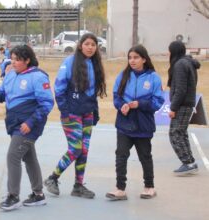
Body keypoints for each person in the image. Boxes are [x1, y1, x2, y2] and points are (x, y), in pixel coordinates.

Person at [0, 45, 54, 211]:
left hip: (28, 125)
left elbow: (47, 103)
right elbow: (2, 95)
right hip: (14, 122)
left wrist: (30, 122)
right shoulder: (10, 75)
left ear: (27, 60)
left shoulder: (38, 77)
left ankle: (13, 196)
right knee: (29, 158)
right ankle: (38, 194)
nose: (13, 62)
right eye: (12, 59)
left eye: (17, 59)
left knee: (13, 156)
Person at [43, 33, 106, 199]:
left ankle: (78, 186)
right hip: (72, 112)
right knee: (75, 148)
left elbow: (93, 92)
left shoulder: (95, 63)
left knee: (84, 150)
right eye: (87, 44)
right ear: (80, 45)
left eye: (94, 44)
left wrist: (95, 111)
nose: (90, 47)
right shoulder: (70, 62)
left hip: (88, 113)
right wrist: (65, 111)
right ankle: (52, 178)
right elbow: (59, 88)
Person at [106, 45, 164, 201]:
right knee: (121, 155)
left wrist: (140, 104)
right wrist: (121, 106)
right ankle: (120, 189)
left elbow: (158, 101)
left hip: (143, 125)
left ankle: (149, 187)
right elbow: (116, 97)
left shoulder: (154, 78)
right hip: (124, 124)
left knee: (145, 156)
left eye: (136, 57)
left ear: (144, 59)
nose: (132, 60)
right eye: (130, 57)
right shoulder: (123, 76)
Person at [167, 41, 200, 176]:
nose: (168, 53)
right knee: (181, 133)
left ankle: (187, 162)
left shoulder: (180, 64)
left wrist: (173, 107)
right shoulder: (187, 63)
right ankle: (190, 162)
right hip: (187, 103)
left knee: (175, 133)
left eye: (169, 51)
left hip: (182, 104)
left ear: (174, 51)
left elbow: (181, 89)